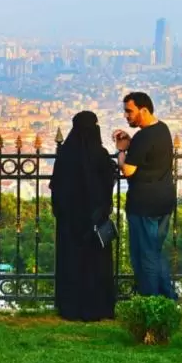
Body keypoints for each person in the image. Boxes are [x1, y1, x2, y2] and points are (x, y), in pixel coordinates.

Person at [50, 111, 118, 321]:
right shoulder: (100, 155)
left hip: (70, 221)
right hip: (95, 221)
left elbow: (56, 187)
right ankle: (97, 307)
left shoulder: (66, 155)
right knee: (96, 264)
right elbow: (109, 181)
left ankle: (71, 306)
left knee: (71, 261)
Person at [113, 92, 178, 300]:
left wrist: (121, 151)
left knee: (145, 255)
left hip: (144, 204)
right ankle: (167, 298)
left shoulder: (143, 136)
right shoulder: (162, 129)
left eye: (129, 111)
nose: (126, 115)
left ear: (144, 110)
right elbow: (148, 154)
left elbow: (128, 170)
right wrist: (133, 145)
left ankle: (150, 301)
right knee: (156, 252)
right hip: (164, 200)